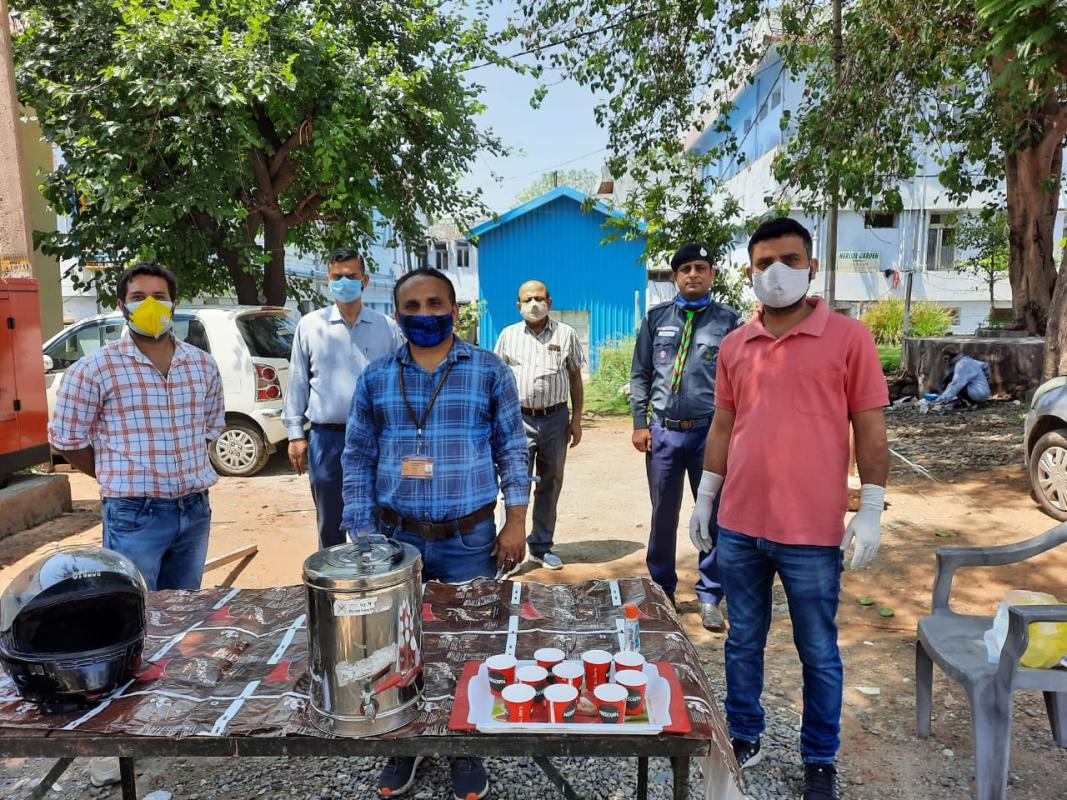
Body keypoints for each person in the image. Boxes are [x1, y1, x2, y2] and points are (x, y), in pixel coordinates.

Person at [689, 217, 889, 800]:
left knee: (818, 650)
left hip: (810, 531)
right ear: (749, 271)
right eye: (764, 262)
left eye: (790, 260)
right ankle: (744, 733)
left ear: (812, 266)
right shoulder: (735, 344)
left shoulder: (850, 339)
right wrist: (706, 496)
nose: (776, 272)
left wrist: (871, 506)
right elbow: (725, 422)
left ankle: (820, 756)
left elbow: (870, 426)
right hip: (740, 525)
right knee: (743, 639)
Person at [341, 267, 529, 800]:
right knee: (397, 644)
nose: (425, 314)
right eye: (413, 306)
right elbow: (356, 455)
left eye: (435, 303)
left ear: (454, 307)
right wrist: (361, 529)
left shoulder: (489, 370)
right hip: (394, 541)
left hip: (469, 539)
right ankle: (403, 742)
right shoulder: (376, 377)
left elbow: (512, 449)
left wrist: (516, 522)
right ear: (397, 313)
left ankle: (464, 743)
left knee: (467, 643)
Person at [49, 263, 224, 592]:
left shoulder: (202, 364)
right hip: (133, 513)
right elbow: (68, 440)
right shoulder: (94, 369)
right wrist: (115, 475)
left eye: (159, 296)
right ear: (121, 305)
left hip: (194, 509)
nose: (150, 305)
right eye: (138, 297)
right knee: (134, 607)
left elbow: (210, 427)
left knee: (183, 607)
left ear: (174, 302)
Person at [629, 243, 739, 631]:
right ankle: (662, 590)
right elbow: (641, 373)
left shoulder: (729, 322)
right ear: (675, 276)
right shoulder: (657, 318)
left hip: (710, 434)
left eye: (700, 268)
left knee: (713, 515)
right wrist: (639, 423)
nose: (693, 274)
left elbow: (740, 380)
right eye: (685, 269)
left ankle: (711, 594)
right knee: (663, 515)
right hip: (664, 432)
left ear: (711, 275)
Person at [284, 248, 404, 549]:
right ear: (328, 280)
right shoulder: (311, 326)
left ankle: (378, 580)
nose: (344, 282)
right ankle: (335, 588)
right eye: (337, 277)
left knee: (379, 514)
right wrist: (295, 435)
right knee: (330, 517)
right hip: (328, 438)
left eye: (351, 276)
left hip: (378, 437)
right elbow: (298, 381)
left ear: (365, 280)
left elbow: (401, 381)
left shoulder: (386, 327)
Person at [494, 279, 585, 570]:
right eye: (527, 299)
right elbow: (496, 379)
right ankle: (508, 550)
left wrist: (577, 420)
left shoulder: (566, 334)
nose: (534, 304)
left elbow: (575, 378)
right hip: (517, 420)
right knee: (513, 484)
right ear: (518, 305)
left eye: (539, 298)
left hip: (556, 419)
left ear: (550, 301)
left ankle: (542, 546)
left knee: (550, 482)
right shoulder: (508, 335)